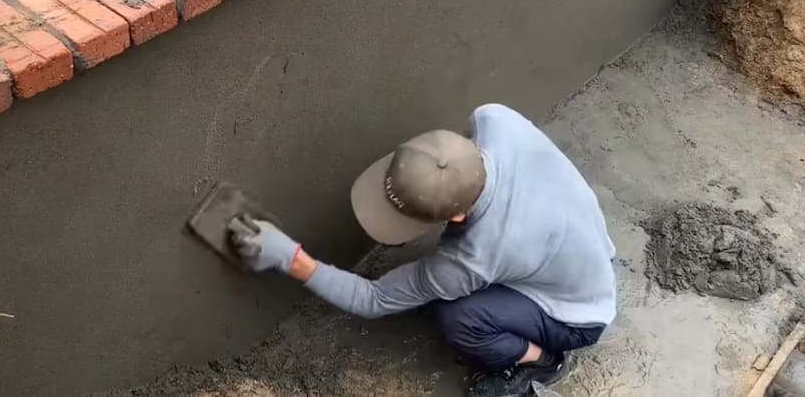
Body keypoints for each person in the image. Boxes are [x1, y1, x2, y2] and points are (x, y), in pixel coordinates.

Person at [229, 104, 617, 397]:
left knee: (458, 317)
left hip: (578, 314)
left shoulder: (470, 260)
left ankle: (542, 360)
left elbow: (374, 298)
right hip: (582, 246)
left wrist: (290, 258)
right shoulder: (495, 121)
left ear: (460, 215)